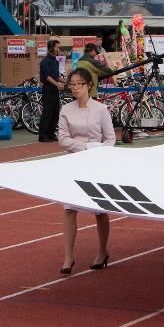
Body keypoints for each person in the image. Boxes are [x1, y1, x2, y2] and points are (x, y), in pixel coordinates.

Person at [58, 68, 114, 273]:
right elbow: (62, 139)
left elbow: (110, 138)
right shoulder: (66, 110)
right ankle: (68, 257)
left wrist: (99, 150)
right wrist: (85, 147)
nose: (74, 88)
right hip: (73, 162)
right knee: (69, 209)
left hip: (96, 164)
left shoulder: (101, 109)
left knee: (100, 211)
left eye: (78, 84)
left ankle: (102, 251)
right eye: (71, 84)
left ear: (89, 85)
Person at [37, 39, 64, 142]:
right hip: (48, 89)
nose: (58, 49)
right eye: (57, 47)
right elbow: (47, 77)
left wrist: (64, 81)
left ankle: (51, 133)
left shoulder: (56, 61)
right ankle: (43, 135)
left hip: (54, 89)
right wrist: (57, 84)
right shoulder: (45, 62)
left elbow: (56, 76)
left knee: (55, 112)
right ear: (51, 48)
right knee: (47, 112)